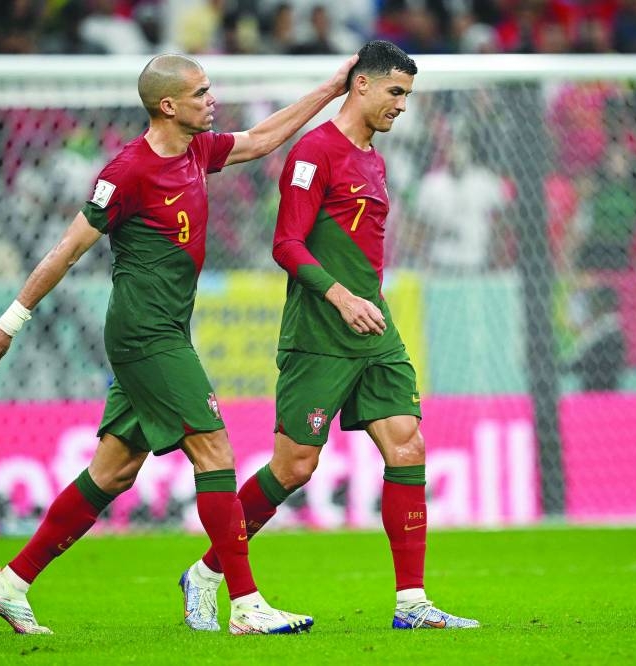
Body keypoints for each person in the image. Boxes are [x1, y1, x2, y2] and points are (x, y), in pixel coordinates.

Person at [0, 51, 358, 635]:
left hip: (165, 330)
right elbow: (66, 250)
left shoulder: (198, 151)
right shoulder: (126, 171)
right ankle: (247, 605)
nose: (212, 99)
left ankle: (11, 582)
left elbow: (260, 139)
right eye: (201, 92)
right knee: (216, 452)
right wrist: (10, 323)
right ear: (168, 105)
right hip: (144, 334)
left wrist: (331, 88)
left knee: (114, 471)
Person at [178, 40, 480, 632]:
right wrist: (340, 297)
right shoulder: (314, 153)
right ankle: (208, 572)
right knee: (294, 467)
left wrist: (362, 302)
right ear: (361, 85)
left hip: (374, 330)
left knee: (408, 447)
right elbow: (285, 244)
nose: (402, 106)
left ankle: (412, 603)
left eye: (408, 96)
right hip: (321, 331)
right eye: (395, 92)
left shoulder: (375, 158)